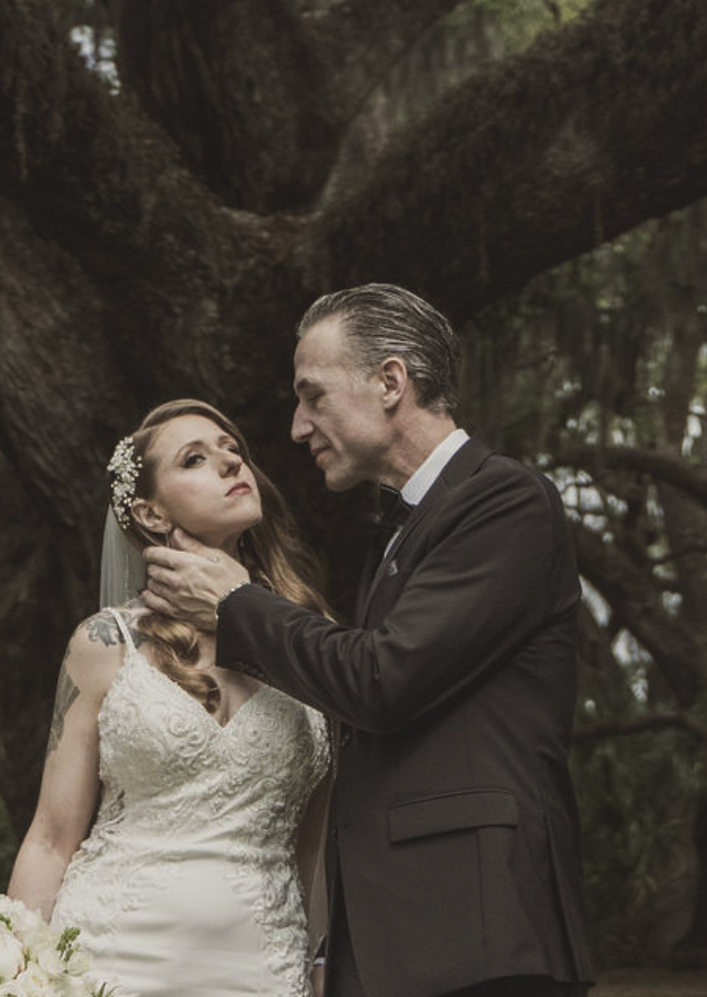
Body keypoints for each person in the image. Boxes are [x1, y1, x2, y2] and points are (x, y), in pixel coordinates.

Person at [142, 285, 593, 997]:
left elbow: (381, 682)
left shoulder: (503, 501)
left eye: (313, 396)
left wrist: (237, 603)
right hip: (399, 942)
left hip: (476, 934)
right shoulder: (399, 531)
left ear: (390, 382)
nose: (297, 427)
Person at [7, 398, 335, 997]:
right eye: (196, 459)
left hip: (264, 966)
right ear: (150, 514)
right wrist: (16, 973)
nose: (232, 464)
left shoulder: (310, 642)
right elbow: (51, 838)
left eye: (233, 451)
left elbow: (314, 846)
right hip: (112, 959)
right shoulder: (105, 644)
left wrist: (318, 964)